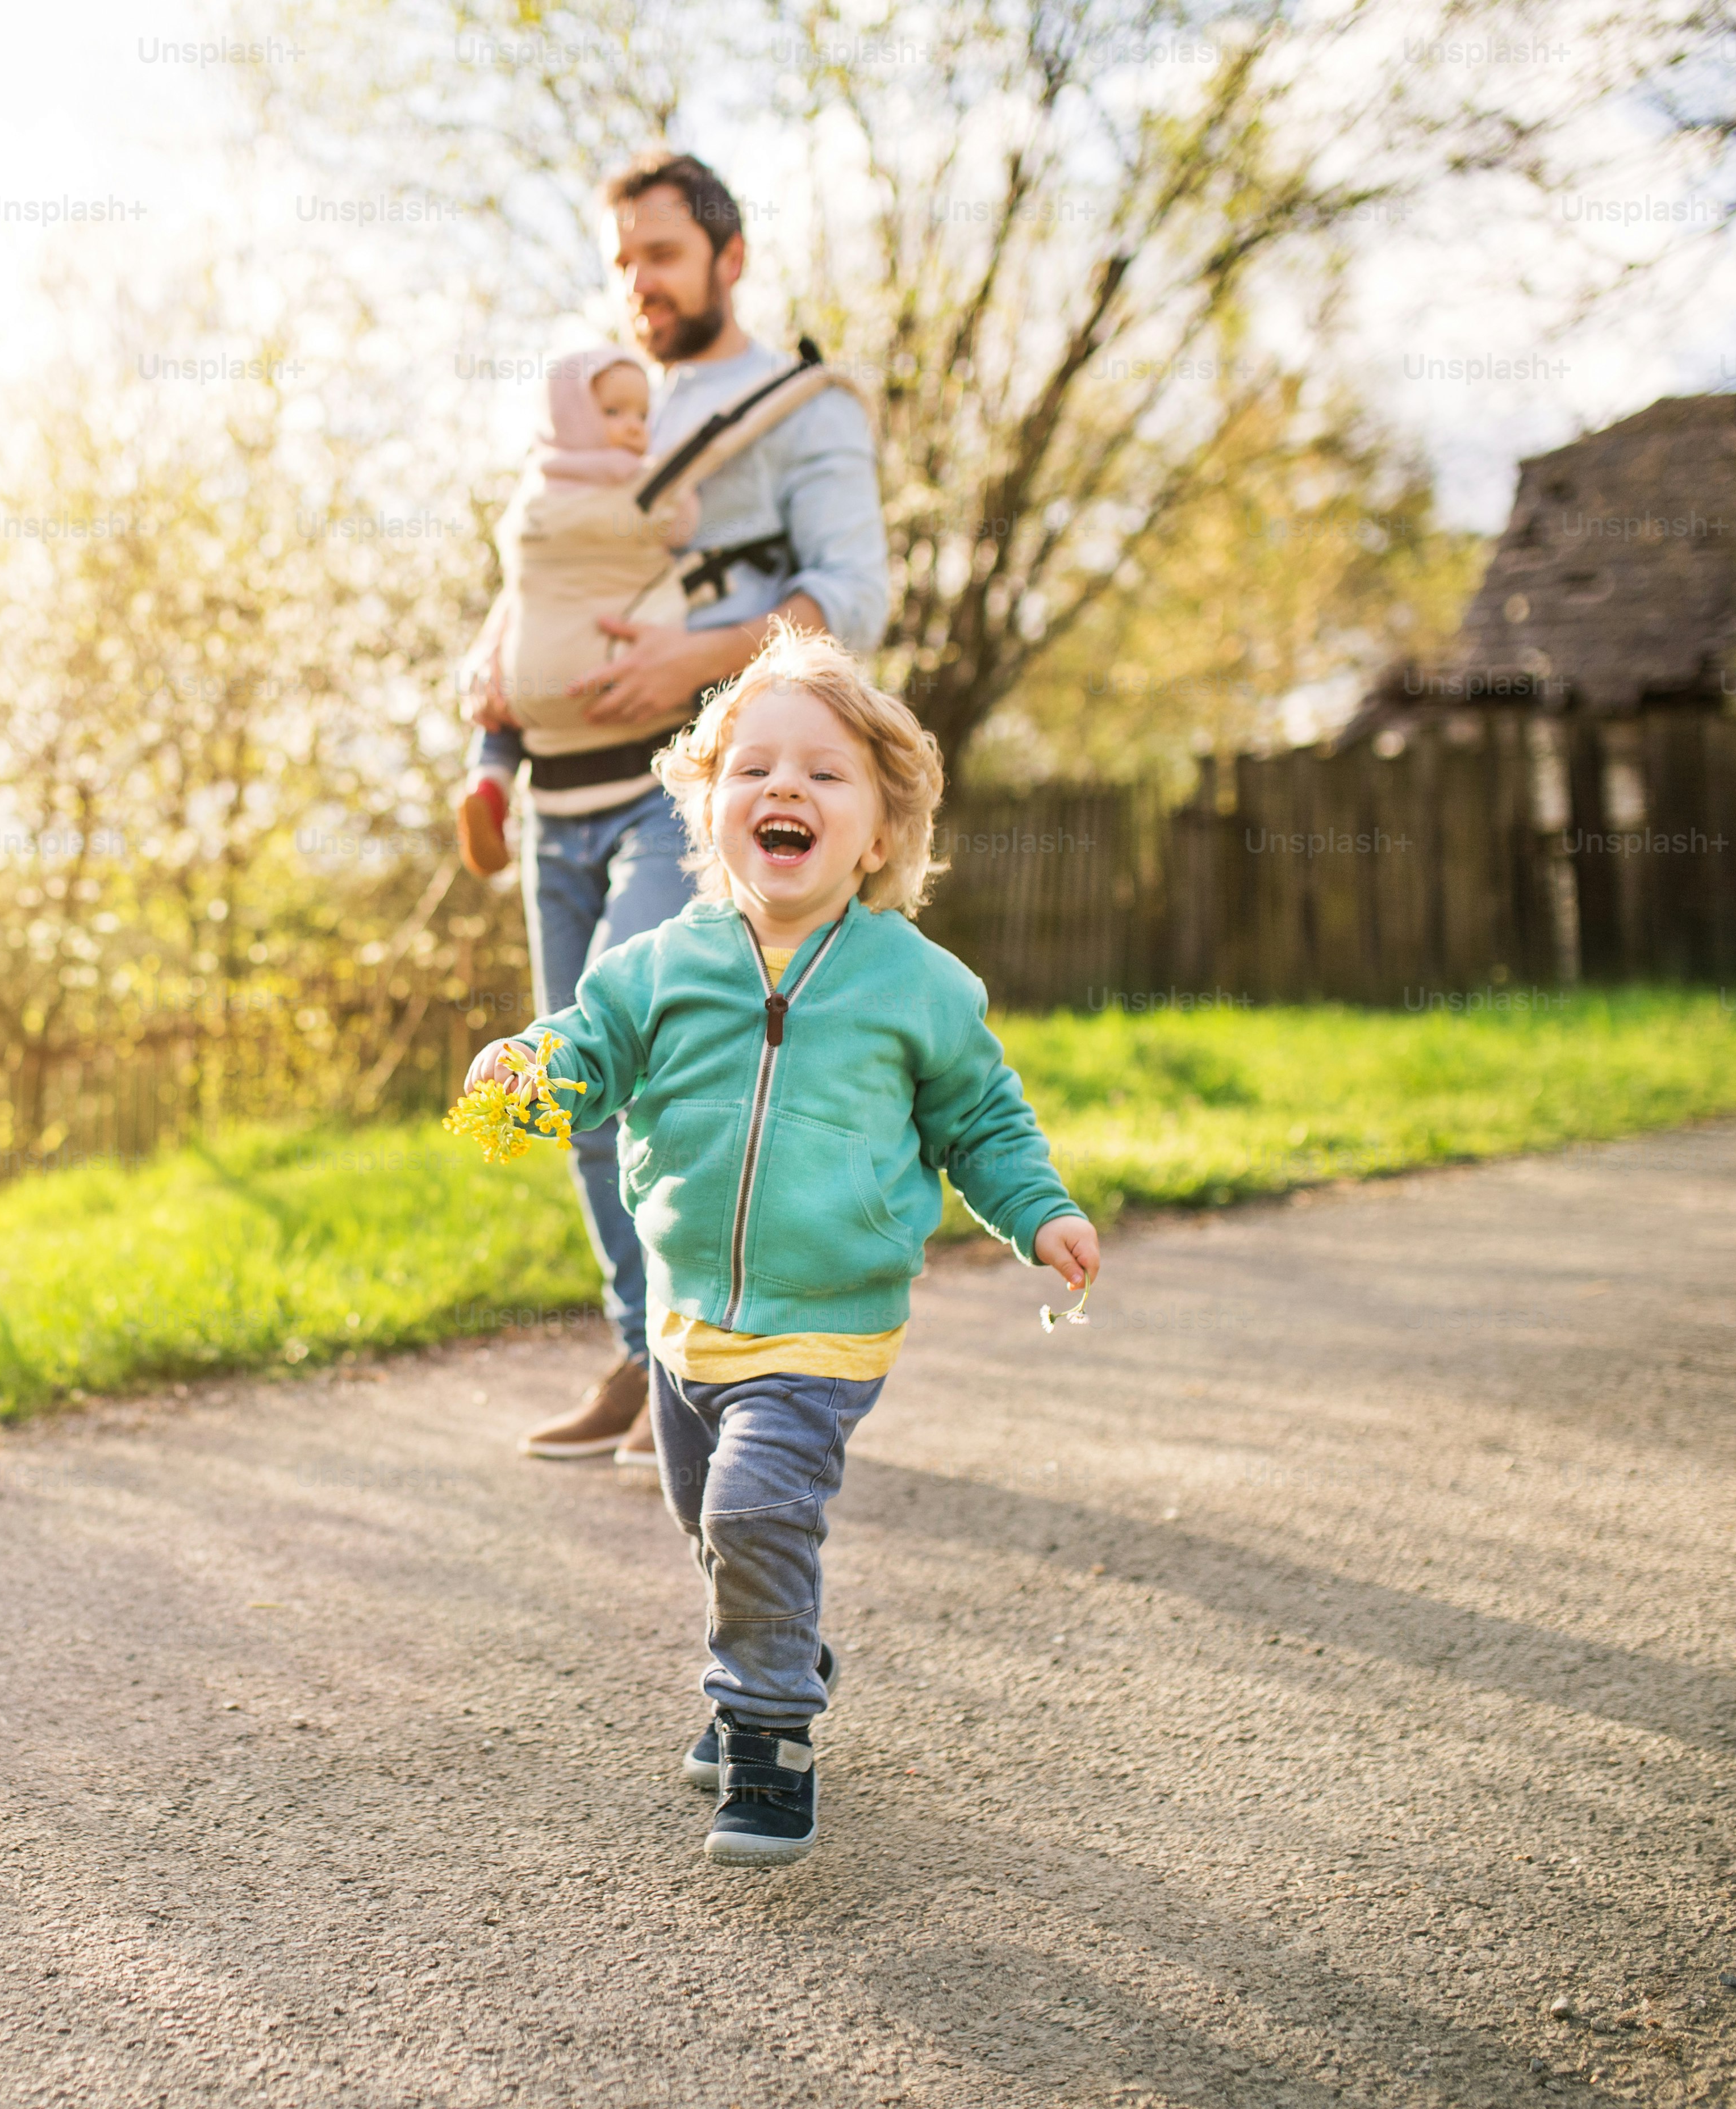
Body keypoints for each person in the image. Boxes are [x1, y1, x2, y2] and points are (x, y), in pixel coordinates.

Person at [461, 626, 1101, 1866]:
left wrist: (1042, 1212)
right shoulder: (659, 968)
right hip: (686, 1323)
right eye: (754, 768)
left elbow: (981, 1118)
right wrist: (526, 1078)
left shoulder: (914, 983)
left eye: (824, 772)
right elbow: (585, 1053)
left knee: (759, 1507)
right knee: (712, 1517)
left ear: (878, 831)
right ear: (711, 813)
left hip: (828, 1323)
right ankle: (782, 1639)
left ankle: (765, 1733)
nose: (785, 789)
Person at [479, 150, 893, 1470]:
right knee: (574, 1079)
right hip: (561, 789)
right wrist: (488, 687)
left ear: (729, 256)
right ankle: (640, 1342)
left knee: (617, 1026)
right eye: (621, 262)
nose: (637, 286)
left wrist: (688, 657)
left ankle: (712, 1356)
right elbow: (536, 575)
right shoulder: (602, 411)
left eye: (659, 256)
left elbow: (851, 596)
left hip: (693, 787)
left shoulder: (800, 411)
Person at [450, 348, 702, 878]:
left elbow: (522, 587)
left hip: (530, 690)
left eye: (641, 415)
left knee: (497, 706)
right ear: (573, 417)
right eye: (614, 413)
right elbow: (682, 526)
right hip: (605, 695)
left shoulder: (533, 490)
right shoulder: (640, 484)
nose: (633, 428)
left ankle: (488, 783)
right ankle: (489, 785)